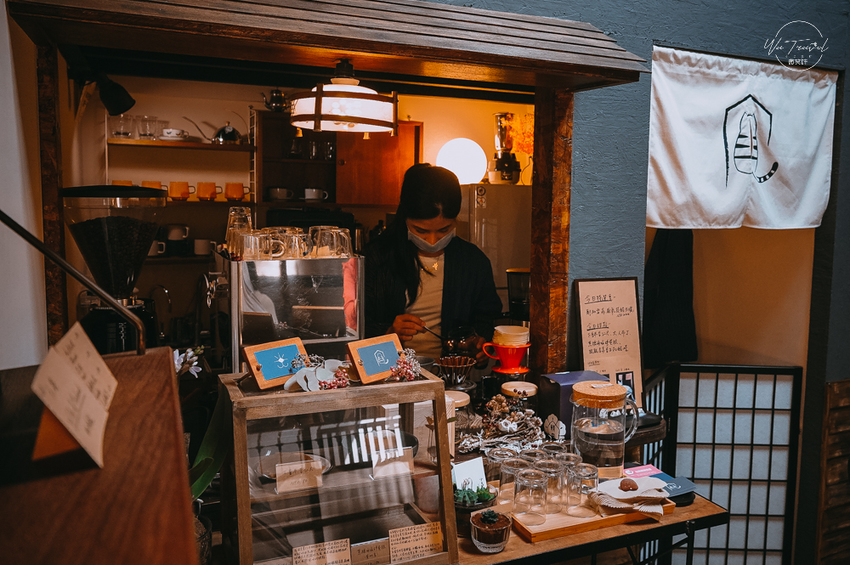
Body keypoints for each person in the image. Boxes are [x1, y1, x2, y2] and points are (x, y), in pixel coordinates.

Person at [364, 164, 502, 364]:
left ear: (455, 221)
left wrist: (479, 345)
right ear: (405, 218)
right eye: (420, 231)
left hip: (452, 378)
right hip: (386, 375)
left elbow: (487, 319)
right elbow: (352, 326)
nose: (432, 240)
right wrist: (388, 332)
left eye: (444, 230)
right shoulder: (377, 258)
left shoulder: (474, 262)